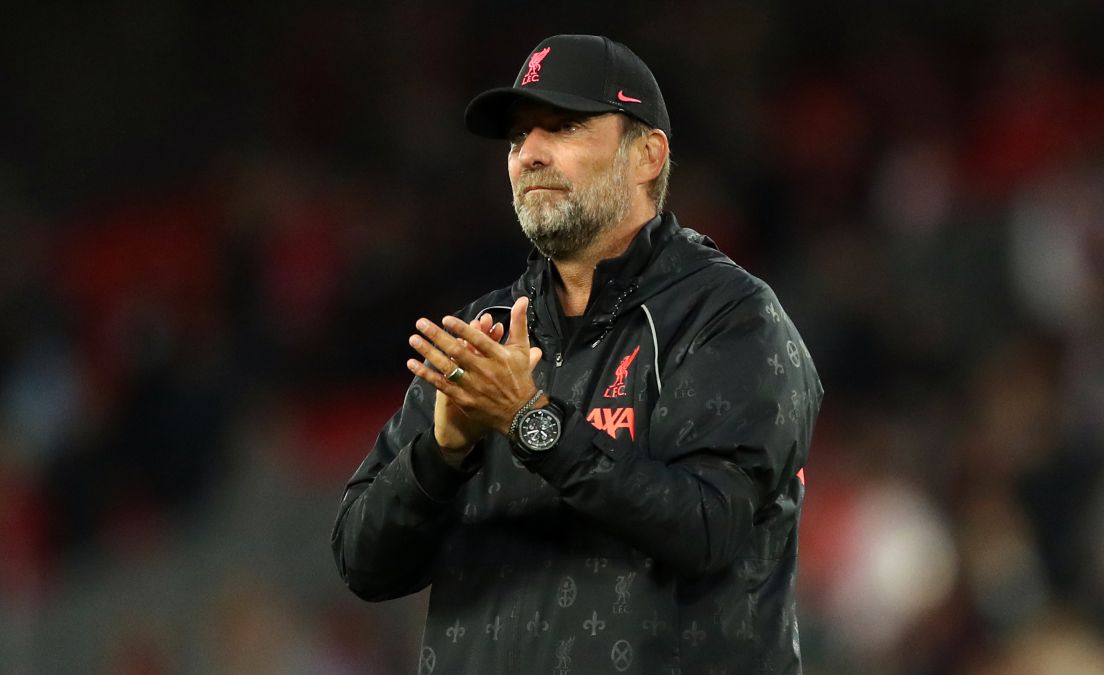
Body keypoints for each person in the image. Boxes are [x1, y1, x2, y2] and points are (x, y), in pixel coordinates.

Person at [332, 34, 822, 674]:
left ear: (647, 154)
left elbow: (708, 529)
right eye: (517, 138)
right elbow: (361, 563)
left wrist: (531, 422)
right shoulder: (484, 336)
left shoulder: (726, 317)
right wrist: (441, 454)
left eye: (562, 128)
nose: (529, 154)